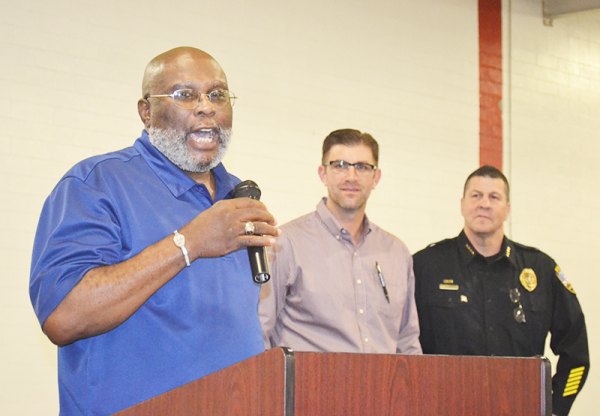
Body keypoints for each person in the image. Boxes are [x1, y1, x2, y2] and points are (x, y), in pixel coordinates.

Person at [29, 47, 279, 415]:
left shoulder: (237, 195)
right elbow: (64, 316)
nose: (205, 106)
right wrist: (189, 243)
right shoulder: (96, 183)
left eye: (217, 94)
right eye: (184, 95)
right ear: (146, 111)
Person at [413, 165, 589, 416]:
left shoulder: (540, 269)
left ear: (507, 209)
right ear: (462, 204)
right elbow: (402, 347)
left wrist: (554, 408)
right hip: (445, 408)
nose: (484, 204)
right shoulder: (425, 266)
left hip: (519, 409)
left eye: (494, 197)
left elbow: (577, 353)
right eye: (476, 195)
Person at [259, 129, 421, 354]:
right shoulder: (286, 243)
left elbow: (408, 342)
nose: (351, 177)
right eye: (340, 165)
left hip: (384, 388)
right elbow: (260, 331)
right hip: (310, 386)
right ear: (323, 173)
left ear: (376, 177)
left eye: (363, 167)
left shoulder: (397, 253)